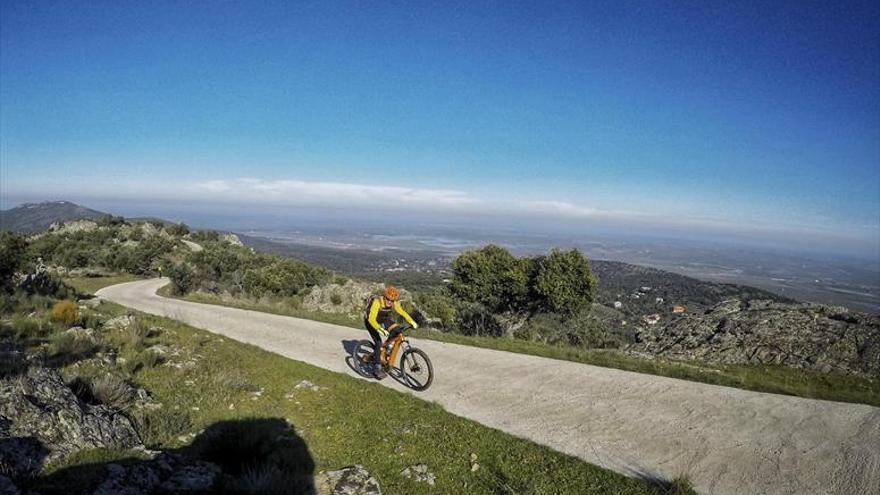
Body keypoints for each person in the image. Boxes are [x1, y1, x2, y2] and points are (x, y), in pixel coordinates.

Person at [363, 285, 418, 379]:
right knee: (378, 343)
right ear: (384, 297)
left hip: (383, 319)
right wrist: (379, 329)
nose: (390, 302)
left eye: (392, 300)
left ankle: (387, 348)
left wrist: (411, 321)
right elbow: (372, 319)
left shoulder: (393, 303)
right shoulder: (377, 302)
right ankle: (377, 367)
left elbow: (402, 312)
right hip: (371, 322)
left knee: (397, 330)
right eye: (388, 299)